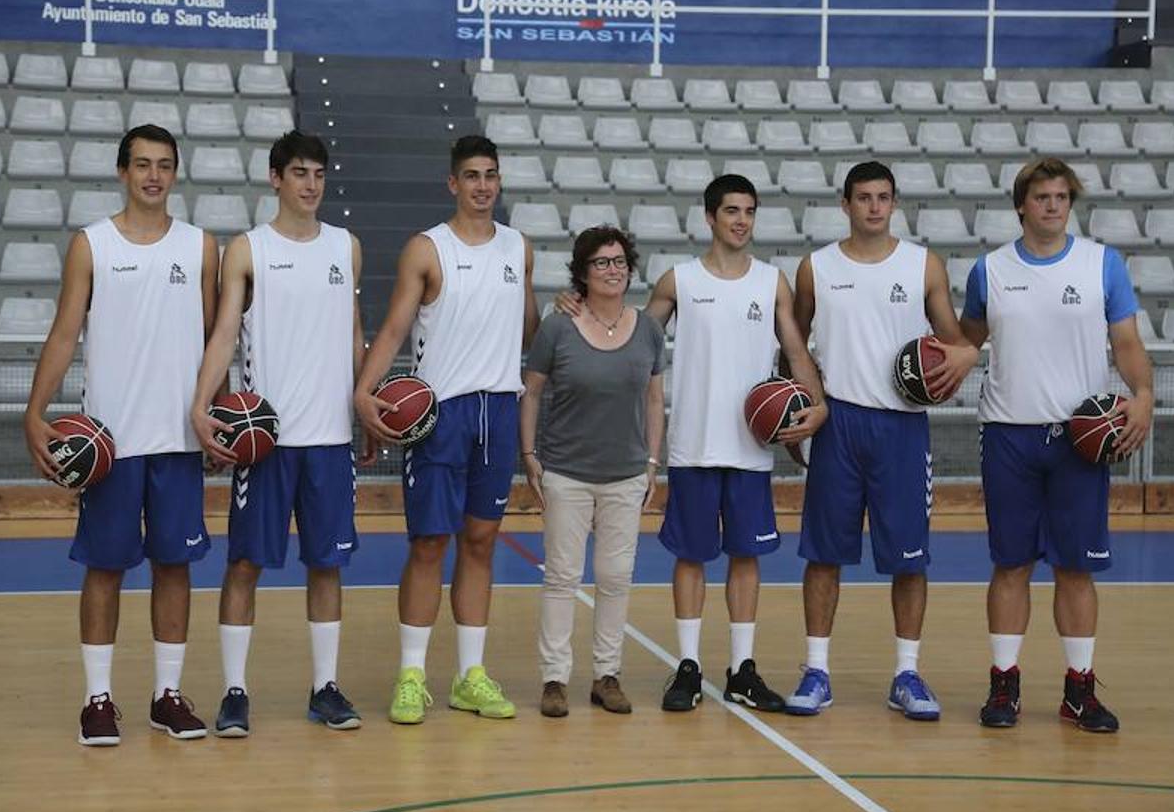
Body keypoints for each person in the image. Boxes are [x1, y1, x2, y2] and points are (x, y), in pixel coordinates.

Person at [561, 175, 827, 711]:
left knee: (746, 557)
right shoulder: (677, 281)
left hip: (750, 447)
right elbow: (631, 339)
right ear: (709, 217)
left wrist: (817, 405)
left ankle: (742, 669)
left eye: (749, 211)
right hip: (692, 444)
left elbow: (796, 353)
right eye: (731, 211)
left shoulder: (771, 282)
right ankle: (687, 667)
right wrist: (583, 305)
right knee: (691, 556)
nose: (741, 221)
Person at [23, 124, 218, 746]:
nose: (153, 176)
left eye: (164, 165)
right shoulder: (92, 245)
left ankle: (167, 696)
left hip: (178, 442)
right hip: (108, 441)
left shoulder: (200, 247)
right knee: (105, 569)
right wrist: (35, 410)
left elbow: (218, 341)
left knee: (175, 566)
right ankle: (98, 699)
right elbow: (62, 334)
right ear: (122, 172)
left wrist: (218, 415)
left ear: (175, 173)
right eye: (142, 165)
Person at [960, 157, 1153, 733]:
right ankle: (1004, 685)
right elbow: (968, 340)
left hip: (1080, 437)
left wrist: (1142, 394)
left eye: (1061, 197)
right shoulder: (988, 270)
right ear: (1021, 205)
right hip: (1008, 434)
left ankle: (1079, 690)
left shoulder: (1102, 264)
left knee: (1076, 569)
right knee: (1011, 564)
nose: (1052, 206)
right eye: (1042, 197)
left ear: (1071, 203)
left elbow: (1126, 341)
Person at [354, 135, 540, 724]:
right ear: (452, 183)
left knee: (481, 543)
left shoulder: (519, 248)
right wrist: (364, 390)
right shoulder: (426, 249)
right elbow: (392, 331)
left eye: (491, 175)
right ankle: (411, 676)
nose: (483, 185)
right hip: (441, 415)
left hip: (499, 411)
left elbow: (529, 327)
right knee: (430, 543)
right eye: (472, 176)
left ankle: (470, 676)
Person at [784, 161, 979, 720]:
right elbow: (793, 345)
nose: (874, 207)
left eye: (883, 197)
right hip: (838, 421)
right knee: (823, 554)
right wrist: (800, 410)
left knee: (910, 559)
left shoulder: (923, 265)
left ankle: (906, 673)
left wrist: (962, 356)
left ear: (894, 203)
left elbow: (955, 343)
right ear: (844, 204)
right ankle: (816, 670)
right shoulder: (816, 267)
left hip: (902, 425)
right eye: (864, 197)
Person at [189, 130, 367, 735]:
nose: (310, 185)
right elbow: (222, 336)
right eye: (298, 173)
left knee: (327, 566)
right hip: (263, 439)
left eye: (318, 173)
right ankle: (235, 691)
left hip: (329, 438)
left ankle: (326, 687)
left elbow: (353, 334)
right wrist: (200, 403)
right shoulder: (247, 250)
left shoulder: (347, 247)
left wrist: (362, 402)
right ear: (275, 178)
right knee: (244, 563)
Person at [520, 226, 665, 718]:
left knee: (615, 578)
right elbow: (533, 391)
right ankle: (555, 679)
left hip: (626, 474)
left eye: (620, 260)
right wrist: (529, 454)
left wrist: (651, 463)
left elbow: (653, 397)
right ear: (583, 271)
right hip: (566, 471)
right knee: (562, 577)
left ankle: (607, 676)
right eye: (602, 262)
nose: (613, 269)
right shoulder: (558, 326)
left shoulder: (646, 327)